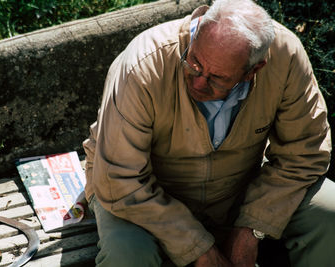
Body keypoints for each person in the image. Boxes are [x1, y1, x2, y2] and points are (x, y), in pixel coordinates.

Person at [82, 0, 334, 266]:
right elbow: (119, 180)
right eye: (194, 63)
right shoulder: (143, 65)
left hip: (237, 188)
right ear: (198, 29)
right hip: (140, 197)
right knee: (126, 255)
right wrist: (197, 247)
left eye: (218, 78)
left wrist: (253, 227)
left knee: (330, 215)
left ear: (253, 70)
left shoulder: (285, 56)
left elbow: (305, 153)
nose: (199, 82)